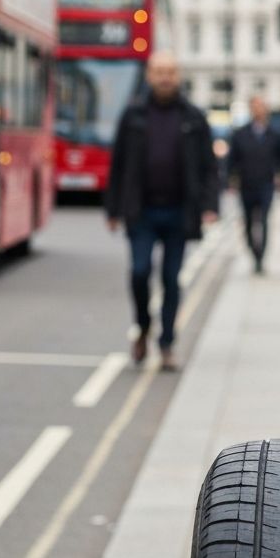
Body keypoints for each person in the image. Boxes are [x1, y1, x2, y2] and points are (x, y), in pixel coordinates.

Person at [105, 51, 219, 371]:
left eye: (170, 71)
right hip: (141, 211)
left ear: (178, 75)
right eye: (159, 71)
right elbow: (119, 164)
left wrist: (209, 206)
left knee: (171, 279)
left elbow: (208, 167)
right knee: (140, 272)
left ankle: (166, 343)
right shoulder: (133, 115)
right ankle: (142, 326)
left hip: (179, 212)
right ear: (150, 75)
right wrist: (113, 209)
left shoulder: (194, 117)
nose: (165, 77)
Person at [227, 95, 280, 274]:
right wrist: (232, 178)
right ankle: (253, 251)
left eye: (261, 107)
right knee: (247, 221)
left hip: (266, 183)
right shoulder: (240, 133)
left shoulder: (275, 134)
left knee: (264, 220)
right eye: (255, 107)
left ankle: (261, 257)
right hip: (246, 183)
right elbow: (232, 160)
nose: (258, 110)